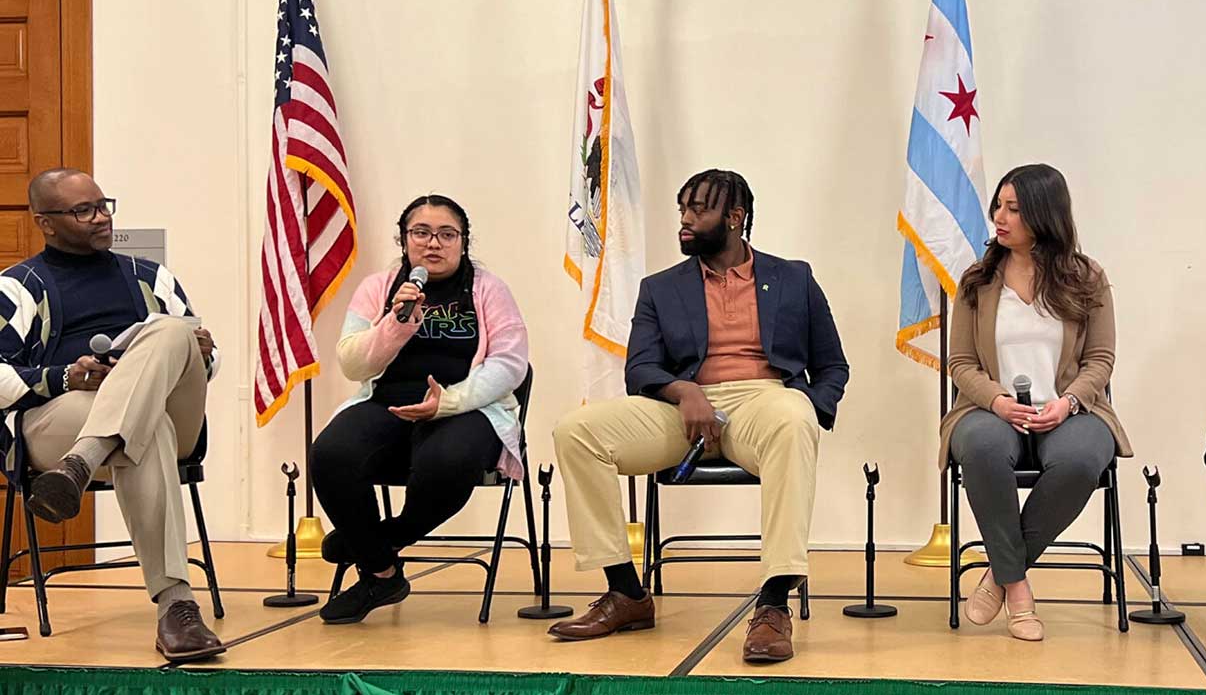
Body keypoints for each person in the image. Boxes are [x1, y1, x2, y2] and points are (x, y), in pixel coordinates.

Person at [549, 169, 848, 663]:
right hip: (681, 408)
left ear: (735, 218)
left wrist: (812, 406)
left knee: (795, 418)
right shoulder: (660, 287)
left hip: (764, 400)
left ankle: (774, 604)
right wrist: (684, 389)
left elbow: (832, 364)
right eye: (682, 209)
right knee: (577, 431)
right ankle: (626, 592)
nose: (685, 221)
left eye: (698, 210)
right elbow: (640, 366)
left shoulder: (793, 277)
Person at [0, 169, 223, 661]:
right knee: (148, 429)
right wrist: (65, 377)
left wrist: (201, 352)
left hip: (118, 432)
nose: (101, 218)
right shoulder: (16, 288)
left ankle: (85, 460)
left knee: (169, 331)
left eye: (104, 205)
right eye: (84, 210)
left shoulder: (151, 277)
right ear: (46, 222)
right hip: (60, 418)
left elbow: (210, 366)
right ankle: (176, 606)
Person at [311, 194, 529, 625]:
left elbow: (510, 364)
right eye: (421, 233)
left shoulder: (489, 288)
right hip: (387, 401)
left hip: (468, 407)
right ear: (404, 240)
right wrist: (393, 324)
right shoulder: (380, 288)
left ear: (464, 242)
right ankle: (381, 573)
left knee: (446, 463)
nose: (434, 243)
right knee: (330, 455)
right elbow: (352, 362)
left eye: (447, 234)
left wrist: (447, 403)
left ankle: (376, 541)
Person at [939, 164, 1129, 641]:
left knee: (1083, 459)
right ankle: (1019, 589)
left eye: (1014, 209)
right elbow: (960, 362)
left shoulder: (1087, 277)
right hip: (988, 410)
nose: (1000, 218)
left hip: (1072, 410)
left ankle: (999, 574)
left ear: (1045, 215)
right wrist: (997, 401)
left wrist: (1068, 403)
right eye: (998, 207)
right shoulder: (977, 281)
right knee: (981, 448)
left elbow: (1101, 360)